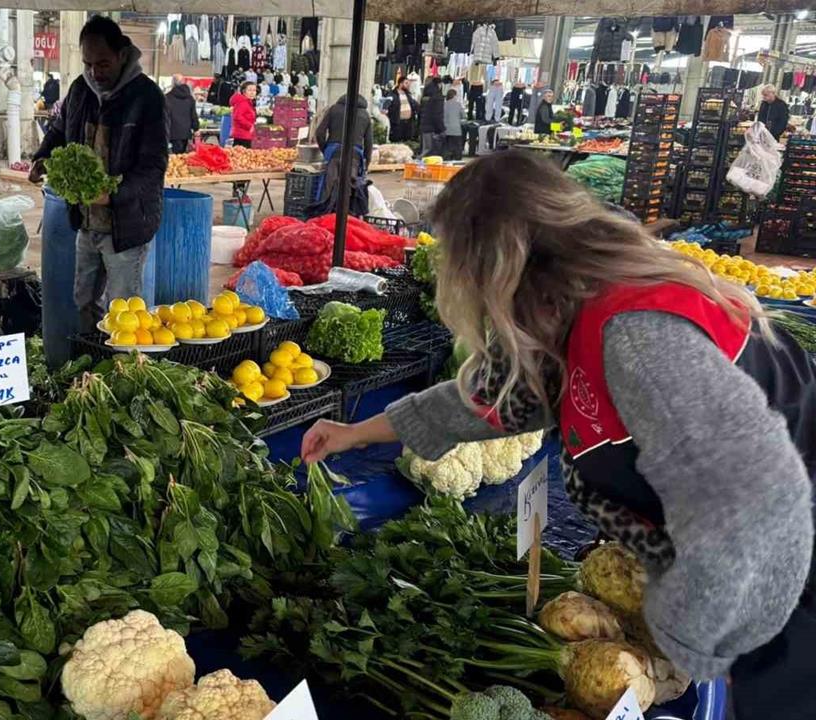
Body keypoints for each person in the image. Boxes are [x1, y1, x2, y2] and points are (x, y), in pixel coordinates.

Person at [301, 151, 815, 720]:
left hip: (789, 581)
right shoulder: (571, 303)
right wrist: (356, 433)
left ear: (497, 267)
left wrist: (698, 635)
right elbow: (495, 399)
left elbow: (760, 506)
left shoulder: (639, 337)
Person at [29, 16, 168, 332]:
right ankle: (92, 359)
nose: (94, 72)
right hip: (87, 221)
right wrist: (42, 158)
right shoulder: (80, 90)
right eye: (88, 64)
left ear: (122, 54)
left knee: (124, 311)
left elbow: (153, 166)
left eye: (103, 64)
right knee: (84, 301)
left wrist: (113, 195)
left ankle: (125, 361)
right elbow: (60, 131)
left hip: (127, 225)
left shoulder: (146, 97)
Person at [314, 93, 375, 168]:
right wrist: (367, 162)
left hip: (333, 153)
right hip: (355, 155)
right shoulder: (365, 115)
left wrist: (326, 149)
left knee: (329, 175)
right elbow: (368, 142)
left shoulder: (333, 109)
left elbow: (319, 133)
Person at [165, 75, 198, 154]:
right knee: (183, 156)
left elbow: (164, 116)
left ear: (173, 83)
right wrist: (196, 128)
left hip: (172, 132)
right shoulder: (190, 98)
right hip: (186, 133)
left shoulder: (167, 98)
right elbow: (193, 115)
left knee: (174, 158)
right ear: (183, 82)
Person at [384, 76, 418, 143]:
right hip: (398, 123)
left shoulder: (408, 94)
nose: (408, 85)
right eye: (406, 83)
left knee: (407, 142)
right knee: (397, 142)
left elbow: (415, 104)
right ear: (401, 83)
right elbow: (386, 104)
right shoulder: (392, 94)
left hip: (408, 123)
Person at [419, 76, 444, 157]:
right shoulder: (438, 97)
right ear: (439, 84)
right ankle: (417, 161)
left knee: (425, 149)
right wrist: (441, 129)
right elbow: (438, 115)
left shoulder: (425, 95)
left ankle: (419, 161)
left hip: (424, 125)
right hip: (432, 127)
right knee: (429, 150)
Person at [229, 81, 257, 147]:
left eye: (254, 90)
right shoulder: (242, 102)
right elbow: (237, 117)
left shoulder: (248, 102)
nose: (252, 93)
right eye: (249, 90)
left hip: (245, 135)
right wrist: (250, 126)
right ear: (244, 91)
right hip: (242, 136)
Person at [443, 88, 463, 160]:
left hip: (446, 129)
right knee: (457, 146)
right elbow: (463, 115)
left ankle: (447, 158)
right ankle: (457, 158)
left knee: (447, 146)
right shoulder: (458, 104)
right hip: (456, 129)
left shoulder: (444, 104)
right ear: (454, 96)